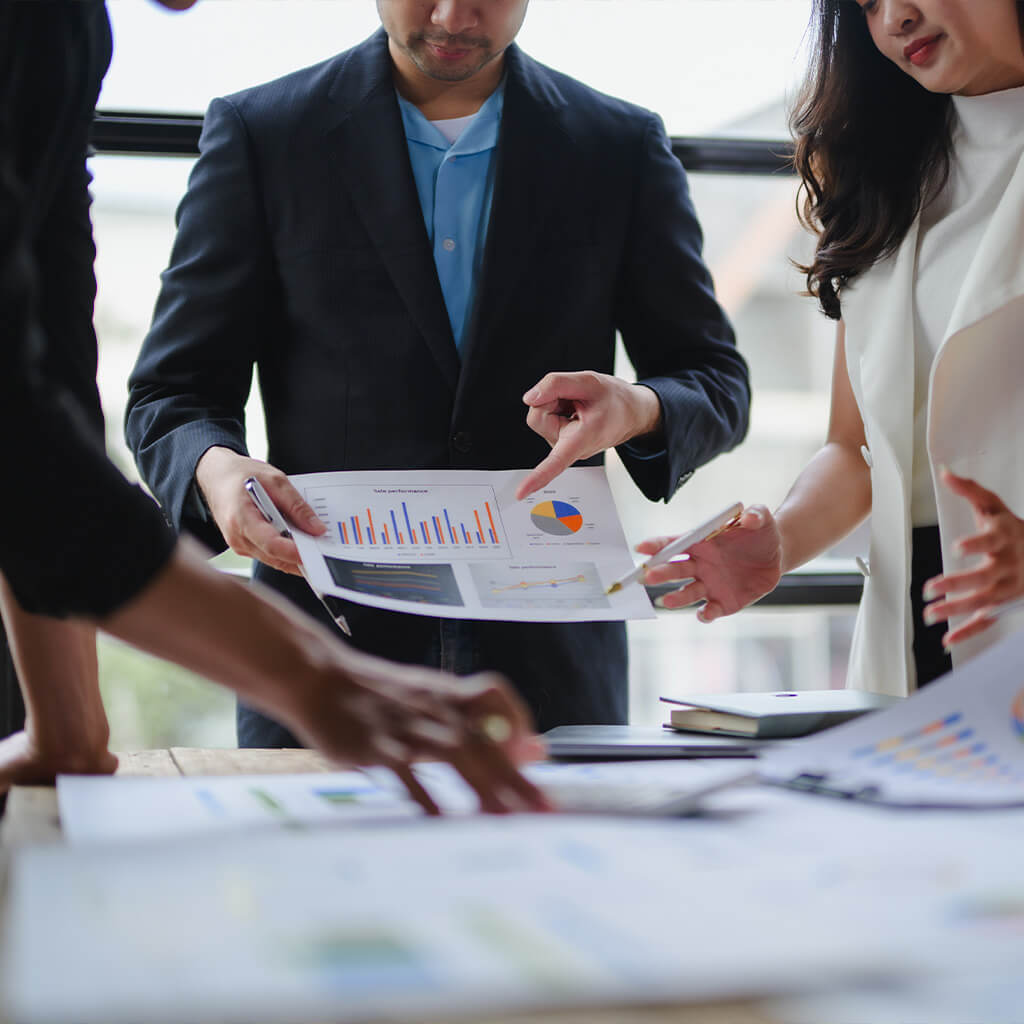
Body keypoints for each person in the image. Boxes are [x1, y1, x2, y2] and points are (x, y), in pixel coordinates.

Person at [125, 0, 750, 743]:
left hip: (553, 665)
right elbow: (172, 395)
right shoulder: (264, 134)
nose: (453, 16)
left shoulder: (619, 145)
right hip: (322, 657)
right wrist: (215, 469)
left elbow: (714, 380)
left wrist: (639, 407)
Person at [0, 0, 549, 814]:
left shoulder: (64, 27)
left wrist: (67, 724)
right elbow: (23, 428)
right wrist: (310, 675)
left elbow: (44, 369)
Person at [641, 0, 1024, 697]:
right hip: (915, 644)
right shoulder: (887, 177)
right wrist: (779, 542)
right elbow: (854, 448)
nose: (895, 17)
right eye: (869, 4)